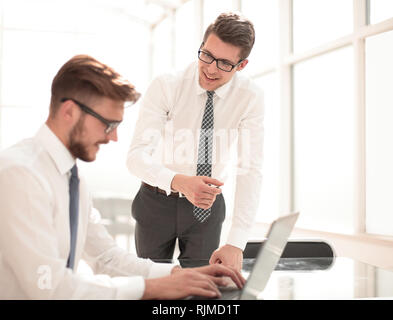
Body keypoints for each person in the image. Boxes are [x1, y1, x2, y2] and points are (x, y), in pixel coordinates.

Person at [0, 54, 245, 299]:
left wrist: (181, 275)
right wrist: (152, 288)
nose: (113, 137)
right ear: (69, 112)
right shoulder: (21, 175)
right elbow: (49, 287)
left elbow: (106, 257)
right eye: (108, 125)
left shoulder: (72, 179)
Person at [127, 12, 264, 271]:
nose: (211, 69)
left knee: (201, 290)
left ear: (242, 65)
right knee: (152, 288)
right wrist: (180, 182)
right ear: (201, 47)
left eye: (224, 63)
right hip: (156, 201)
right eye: (207, 55)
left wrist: (237, 242)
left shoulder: (250, 97)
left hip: (207, 208)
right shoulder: (167, 85)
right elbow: (136, 157)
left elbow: (250, 170)